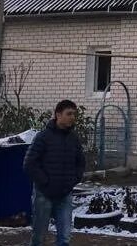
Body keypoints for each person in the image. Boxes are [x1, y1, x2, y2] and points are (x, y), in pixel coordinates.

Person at [24, 100, 86, 246]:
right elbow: (29, 163)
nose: (72, 117)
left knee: (64, 238)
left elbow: (81, 162)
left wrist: (73, 180)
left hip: (65, 195)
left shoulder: (73, 139)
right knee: (38, 237)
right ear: (58, 114)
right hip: (44, 195)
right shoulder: (43, 137)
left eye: (74, 114)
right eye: (68, 114)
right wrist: (45, 182)